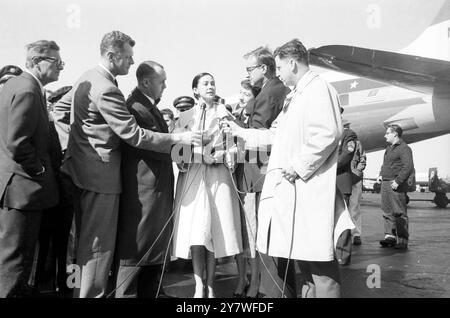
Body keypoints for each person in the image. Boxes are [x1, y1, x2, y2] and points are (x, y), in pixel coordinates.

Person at [52, 31, 202, 298]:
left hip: (85, 172)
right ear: (112, 56)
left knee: (85, 244)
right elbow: (134, 134)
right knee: (97, 248)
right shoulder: (106, 88)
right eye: (128, 57)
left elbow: (61, 113)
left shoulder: (87, 77)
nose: (132, 63)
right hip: (101, 177)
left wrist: (76, 147)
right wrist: (179, 137)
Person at [225, 39, 353, 298]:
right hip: (295, 195)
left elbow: (329, 133)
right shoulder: (295, 96)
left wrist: (298, 166)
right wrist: (240, 132)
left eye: (280, 67)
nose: (278, 72)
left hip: (308, 192)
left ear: (292, 63)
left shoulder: (319, 88)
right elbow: (275, 135)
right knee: (305, 269)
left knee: (321, 271)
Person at [0, 40, 64, 297]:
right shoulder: (27, 89)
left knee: (13, 258)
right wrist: (38, 170)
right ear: (38, 62)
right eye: (57, 62)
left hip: (16, 187)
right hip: (24, 189)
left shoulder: (16, 85)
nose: (61, 68)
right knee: (16, 261)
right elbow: (18, 143)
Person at [171, 72, 243, 298]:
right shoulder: (185, 118)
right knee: (196, 233)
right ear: (195, 90)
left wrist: (226, 153)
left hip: (218, 179)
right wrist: (199, 154)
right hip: (194, 179)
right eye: (205, 83)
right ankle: (198, 284)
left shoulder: (226, 115)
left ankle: (211, 284)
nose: (210, 86)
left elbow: (238, 146)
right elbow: (176, 151)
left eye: (213, 82)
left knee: (214, 232)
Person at [114, 61, 176, 298]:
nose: (166, 86)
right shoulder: (136, 107)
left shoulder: (148, 105)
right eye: (162, 81)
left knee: (153, 246)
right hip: (144, 191)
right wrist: (192, 150)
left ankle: (154, 291)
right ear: (147, 82)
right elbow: (154, 146)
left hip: (154, 189)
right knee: (136, 250)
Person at [237, 46, 290, 298]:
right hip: (266, 173)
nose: (247, 74)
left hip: (261, 174)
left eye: (250, 69)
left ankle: (269, 292)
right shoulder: (273, 90)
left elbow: (258, 138)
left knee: (263, 234)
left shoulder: (268, 94)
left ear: (264, 68)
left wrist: (232, 127)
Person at [33, 85, 74, 295]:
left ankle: (66, 287)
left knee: (68, 249)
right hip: (52, 199)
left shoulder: (76, 132)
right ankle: (45, 286)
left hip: (70, 200)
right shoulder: (47, 129)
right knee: (47, 248)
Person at [377, 124, 414, 250]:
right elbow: (386, 165)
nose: (385, 135)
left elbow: (408, 167)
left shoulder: (404, 148)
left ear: (395, 134)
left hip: (395, 184)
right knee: (387, 211)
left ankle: (402, 241)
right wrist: (381, 175)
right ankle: (390, 237)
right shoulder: (388, 148)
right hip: (386, 183)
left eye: (387, 133)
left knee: (399, 212)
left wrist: (398, 181)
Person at [335, 119, 357, 266]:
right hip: (329, 182)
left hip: (341, 181)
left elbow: (346, 156)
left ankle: (343, 255)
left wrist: (327, 167)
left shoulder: (349, 135)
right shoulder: (333, 134)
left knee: (342, 220)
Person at [349, 136, 366, 246]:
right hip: (340, 177)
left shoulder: (357, 143)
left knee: (354, 207)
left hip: (354, 178)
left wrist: (357, 171)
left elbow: (362, 159)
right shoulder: (337, 141)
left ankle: (356, 234)